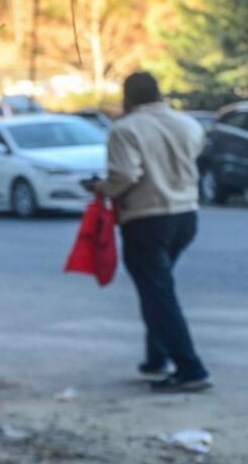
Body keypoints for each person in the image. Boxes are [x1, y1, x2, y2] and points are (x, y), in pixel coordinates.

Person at [87, 72, 211, 393]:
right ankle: (156, 357)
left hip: (147, 217)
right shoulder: (188, 124)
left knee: (159, 294)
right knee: (156, 288)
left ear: (128, 98)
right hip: (186, 215)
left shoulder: (125, 130)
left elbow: (126, 175)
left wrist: (101, 187)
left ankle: (190, 368)